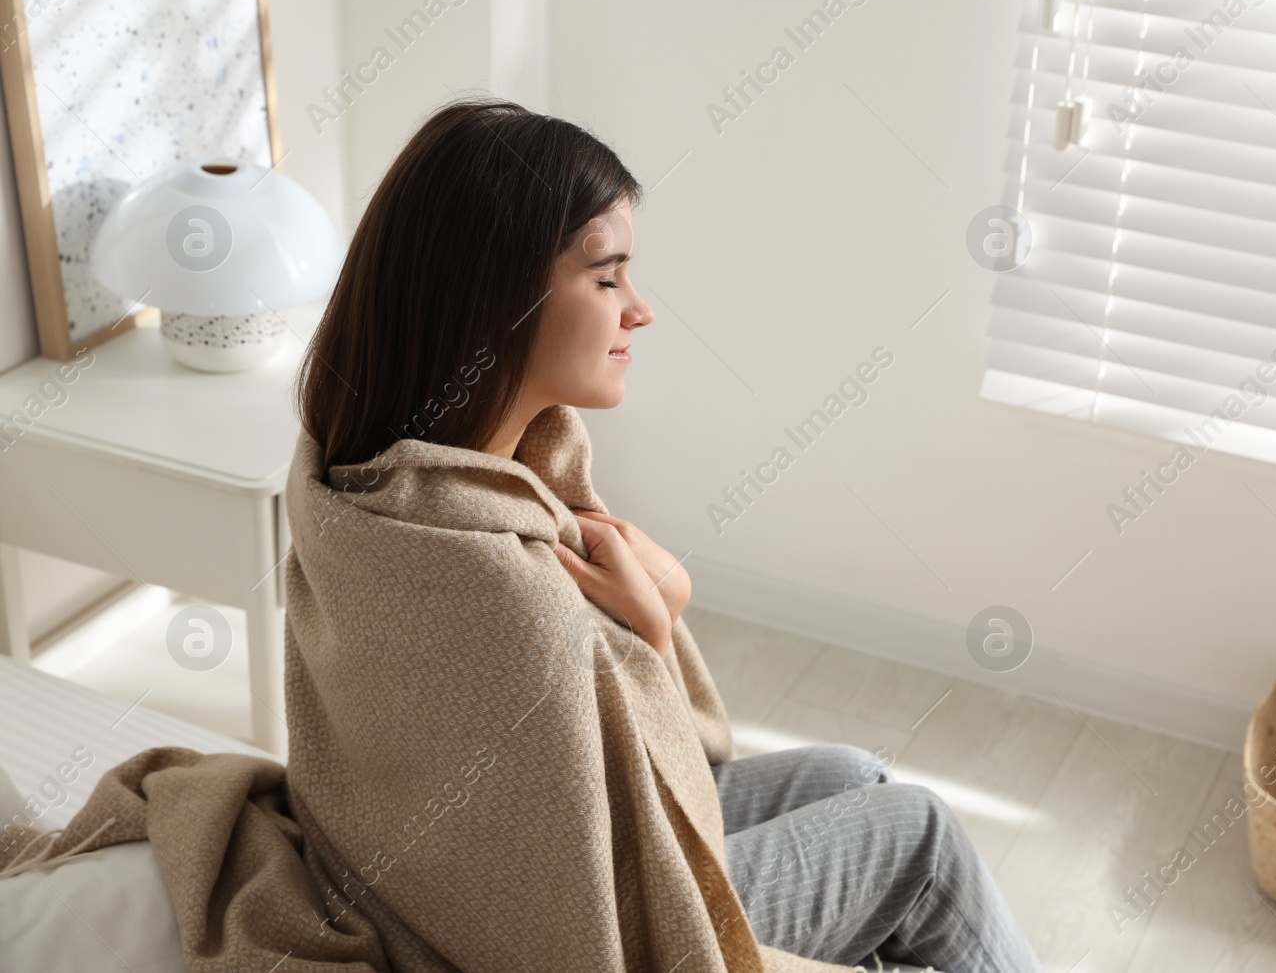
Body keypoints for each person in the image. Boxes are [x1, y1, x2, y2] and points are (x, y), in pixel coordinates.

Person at [291, 98, 1041, 973]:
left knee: (855, 775)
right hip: (602, 920)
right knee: (918, 837)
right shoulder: (501, 588)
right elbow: (604, 867)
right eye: (607, 278)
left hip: (468, 866)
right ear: (498, 301)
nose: (638, 309)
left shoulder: (352, 472)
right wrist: (655, 624)